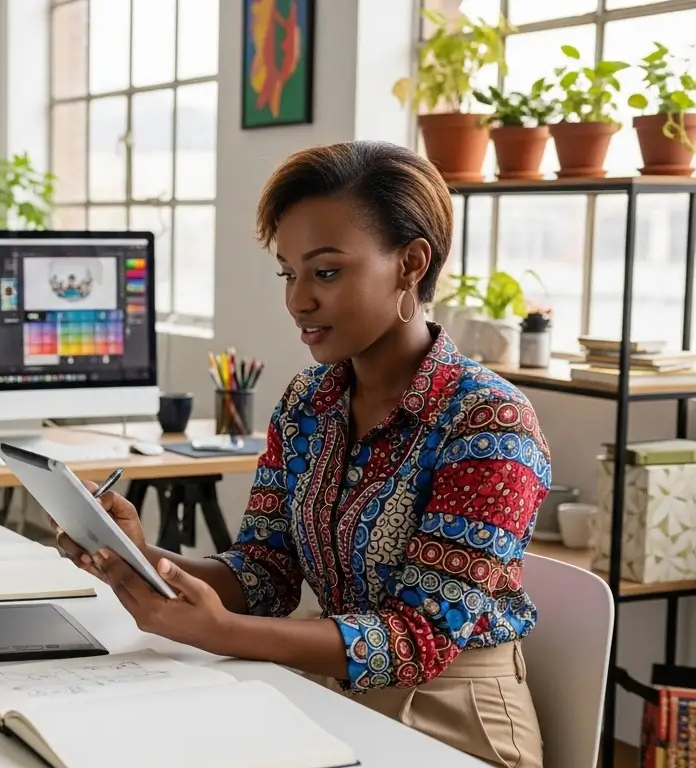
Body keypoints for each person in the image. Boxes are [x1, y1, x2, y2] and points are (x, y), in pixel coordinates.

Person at [58, 141, 547, 768]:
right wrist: (135, 556)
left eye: (327, 271)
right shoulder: (308, 400)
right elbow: (265, 574)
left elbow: (420, 639)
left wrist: (221, 633)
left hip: (450, 721)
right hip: (324, 695)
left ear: (411, 264)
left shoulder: (490, 422)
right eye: (289, 273)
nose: (298, 300)